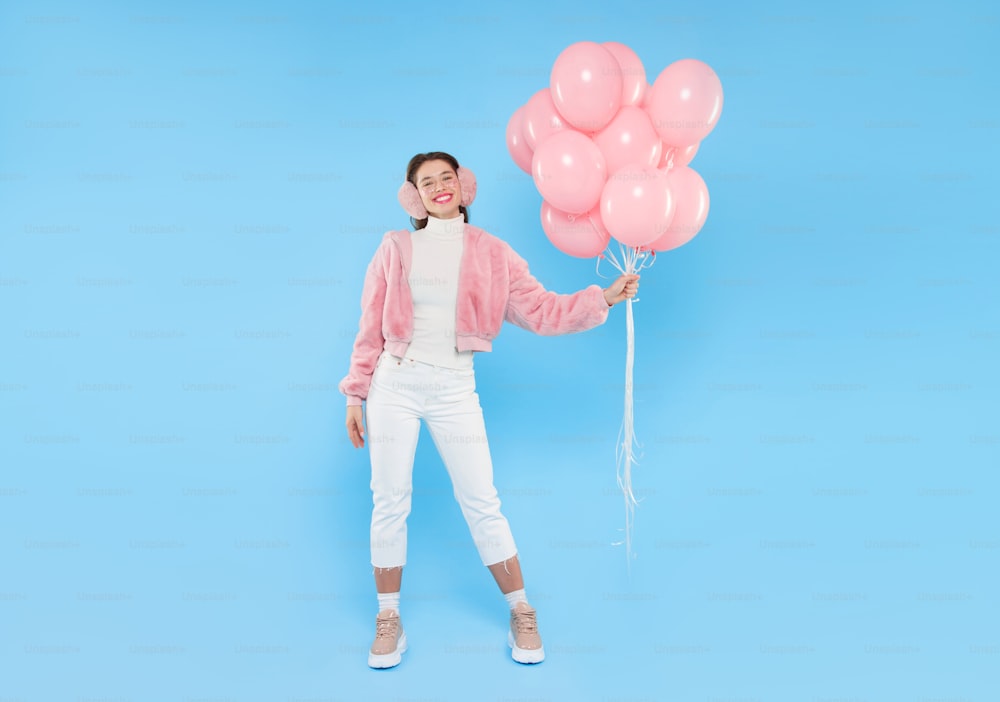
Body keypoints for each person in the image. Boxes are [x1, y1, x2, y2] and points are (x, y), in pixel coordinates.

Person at [339, 151, 638, 669]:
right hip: (396, 384)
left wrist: (602, 300)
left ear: (463, 185)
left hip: (456, 387)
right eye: (426, 182)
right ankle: (389, 618)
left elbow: (541, 310)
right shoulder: (395, 247)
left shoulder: (492, 252)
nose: (438, 187)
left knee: (482, 499)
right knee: (390, 498)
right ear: (413, 196)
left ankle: (521, 609)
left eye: (446, 177)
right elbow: (370, 324)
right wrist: (355, 393)